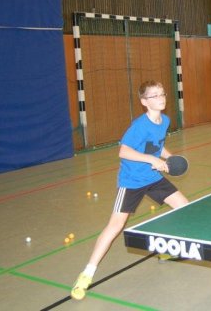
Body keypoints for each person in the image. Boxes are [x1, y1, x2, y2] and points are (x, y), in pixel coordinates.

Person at [71, 80, 189, 301]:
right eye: (154, 95)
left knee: (185, 208)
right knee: (115, 226)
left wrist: (169, 158)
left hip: (153, 178)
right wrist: (151, 160)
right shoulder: (139, 126)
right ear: (144, 102)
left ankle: (168, 249)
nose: (161, 98)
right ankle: (87, 274)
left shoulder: (164, 120)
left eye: (162, 93)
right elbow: (123, 152)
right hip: (132, 181)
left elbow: (158, 144)